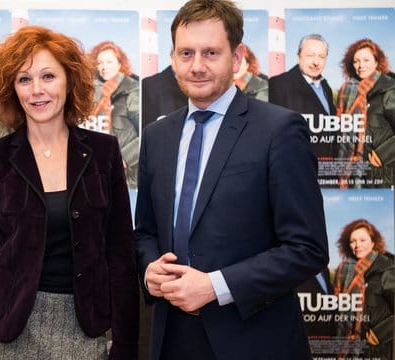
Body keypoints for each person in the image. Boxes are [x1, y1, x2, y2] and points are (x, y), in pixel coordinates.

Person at [133, 1, 329, 359]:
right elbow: (145, 231)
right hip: (171, 339)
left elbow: (307, 248)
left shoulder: (279, 130)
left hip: (253, 340)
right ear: (173, 59)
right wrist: (150, 271)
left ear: (237, 58)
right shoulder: (157, 136)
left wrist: (214, 286)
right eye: (186, 53)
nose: (197, 66)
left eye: (211, 53)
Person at [0, 25, 139, 360]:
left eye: (48, 76)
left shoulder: (104, 152)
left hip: (86, 329)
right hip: (10, 332)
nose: (37, 90)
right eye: (24, 79)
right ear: (12, 88)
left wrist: (125, 348)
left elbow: (121, 258)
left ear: (69, 81)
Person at [269, 34, 337, 186]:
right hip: (293, 176)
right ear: (299, 57)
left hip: (325, 174)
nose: (316, 62)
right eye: (310, 55)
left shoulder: (325, 87)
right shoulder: (278, 85)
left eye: (321, 56)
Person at [336, 38, 395, 189]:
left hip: (378, 174)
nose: (361, 65)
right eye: (356, 61)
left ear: (377, 62)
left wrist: (384, 154)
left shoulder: (389, 89)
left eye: (366, 60)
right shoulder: (348, 91)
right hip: (351, 173)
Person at [333, 219, 394, 360]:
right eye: (352, 241)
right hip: (347, 350)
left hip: (377, 350)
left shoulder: (387, 268)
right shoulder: (344, 270)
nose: (357, 245)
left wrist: (381, 332)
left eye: (362, 240)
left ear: (373, 242)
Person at [88, 40, 140, 188]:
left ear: (119, 63)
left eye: (109, 62)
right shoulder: (92, 92)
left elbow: (147, 131)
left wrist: (124, 158)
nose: (104, 67)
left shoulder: (134, 91)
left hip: (126, 174)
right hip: (96, 171)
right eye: (100, 63)